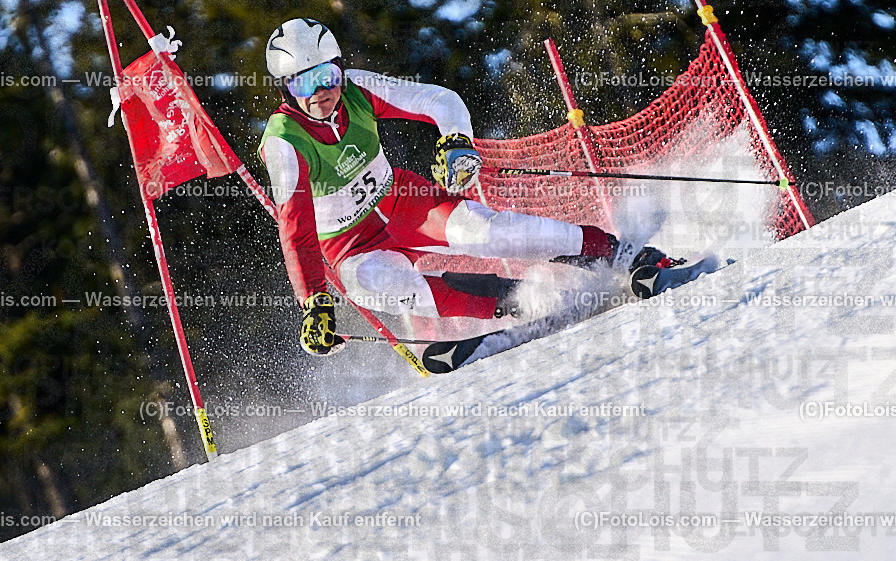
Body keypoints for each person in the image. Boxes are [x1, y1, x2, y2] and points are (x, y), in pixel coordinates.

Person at [259, 18, 669, 356]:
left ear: (340, 69)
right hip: (350, 244)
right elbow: (295, 229)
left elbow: (440, 100)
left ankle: (619, 252)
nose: (321, 93)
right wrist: (313, 301)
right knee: (377, 285)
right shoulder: (284, 141)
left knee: (488, 232)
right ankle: (522, 301)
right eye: (303, 85)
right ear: (284, 89)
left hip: (404, 203)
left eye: (328, 76)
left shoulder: (358, 89)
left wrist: (456, 141)